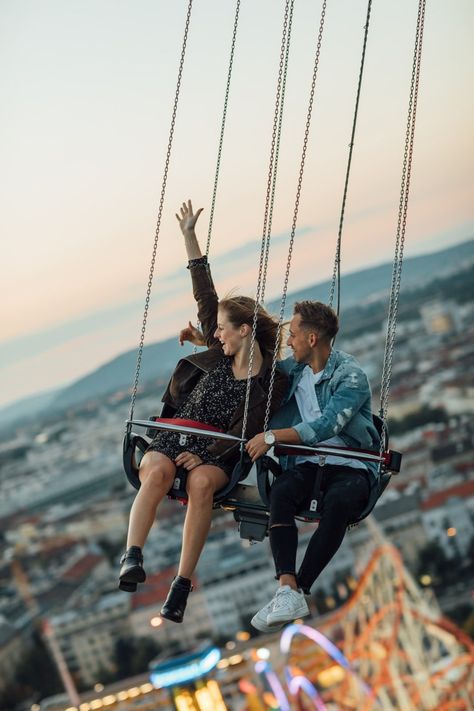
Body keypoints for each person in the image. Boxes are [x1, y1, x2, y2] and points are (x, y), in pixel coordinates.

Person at [119, 200, 288, 624]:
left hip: (220, 452)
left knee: (200, 486)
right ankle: (132, 556)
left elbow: (250, 428)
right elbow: (205, 292)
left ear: (243, 330)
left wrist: (210, 453)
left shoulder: (271, 381)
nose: (215, 334)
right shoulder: (217, 349)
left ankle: (180, 585)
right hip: (176, 434)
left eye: (221, 329)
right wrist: (190, 237)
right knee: (156, 472)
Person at [244, 300, 380, 632]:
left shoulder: (351, 375)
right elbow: (251, 360)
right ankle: (286, 587)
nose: (288, 342)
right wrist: (203, 338)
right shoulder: (292, 372)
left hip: (351, 463)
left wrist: (273, 437)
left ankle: (298, 589)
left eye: (293, 335)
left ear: (312, 338)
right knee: (283, 493)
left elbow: (327, 426)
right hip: (308, 462)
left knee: (340, 503)